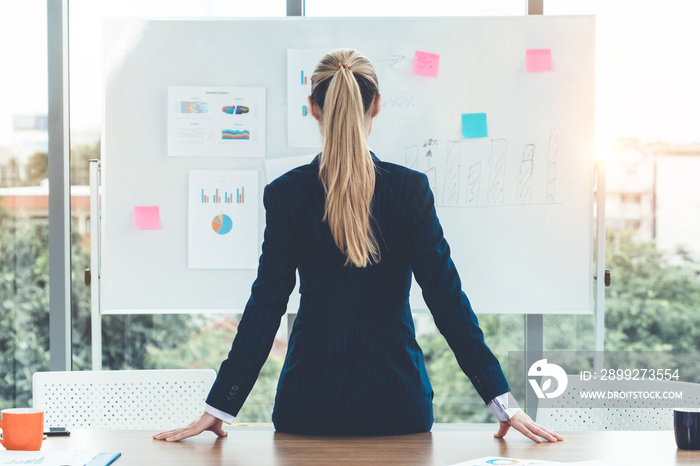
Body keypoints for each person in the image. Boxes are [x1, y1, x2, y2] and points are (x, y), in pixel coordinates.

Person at [154, 49, 563, 443]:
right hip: (398, 405)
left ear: (313, 107)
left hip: (308, 405)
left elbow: (266, 303)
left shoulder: (287, 194)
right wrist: (502, 402)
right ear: (377, 105)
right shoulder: (409, 190)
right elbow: (447, 300)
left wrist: (220, 406)